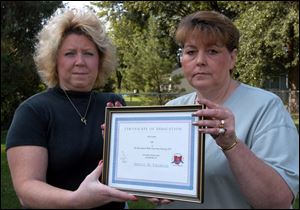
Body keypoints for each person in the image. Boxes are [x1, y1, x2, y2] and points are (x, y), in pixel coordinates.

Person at [157, 11, 299, 209]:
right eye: (191, 52)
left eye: (212, 51)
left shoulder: (266, 107)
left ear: (233, 58)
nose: (200, 60)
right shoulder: (172, 109)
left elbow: (278, 201)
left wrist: (231, 145)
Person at [5, 8, 138, 209]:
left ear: (100, 60)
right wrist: (75, 200)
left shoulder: (113, 104)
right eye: (69, 53)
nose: (80, 62)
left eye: (88, 53)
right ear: (54, 60)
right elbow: (26, 188)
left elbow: (133, 165)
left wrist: (154, 186)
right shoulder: (33, 111)